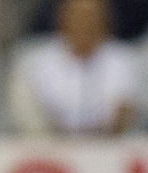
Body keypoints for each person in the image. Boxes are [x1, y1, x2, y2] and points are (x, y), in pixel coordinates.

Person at [11, 0, 137, 137]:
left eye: (91, 19)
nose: (84, 25)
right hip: (50, 147)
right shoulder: (36, 61)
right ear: (62, 22)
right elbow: (32, 118)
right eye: (78, 18)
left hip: (106, 148)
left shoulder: (122, 60)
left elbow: (122, 117)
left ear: (105, 24)